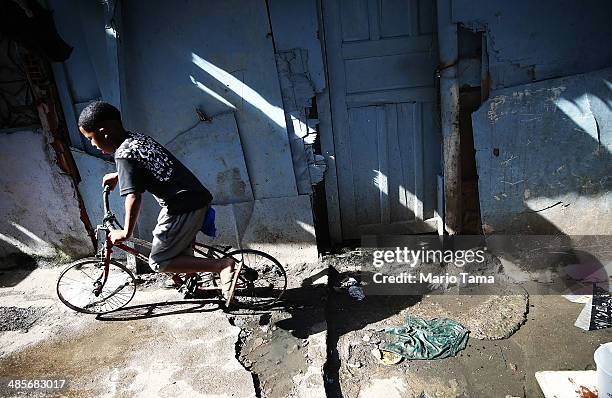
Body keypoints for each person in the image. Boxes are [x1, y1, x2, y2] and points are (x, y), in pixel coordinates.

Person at [77, 101, 239, 305]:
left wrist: (126, 232)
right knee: (168, 244)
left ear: (105, 132)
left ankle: (222, 266)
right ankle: (192, 281)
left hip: (182, 207)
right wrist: (119, 175)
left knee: (159, 261)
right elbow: (144, 164)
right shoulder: (136, 139)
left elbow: (133, 196)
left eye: (91, 138)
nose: (92, 144)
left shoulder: (123, 155)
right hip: (192, 196)